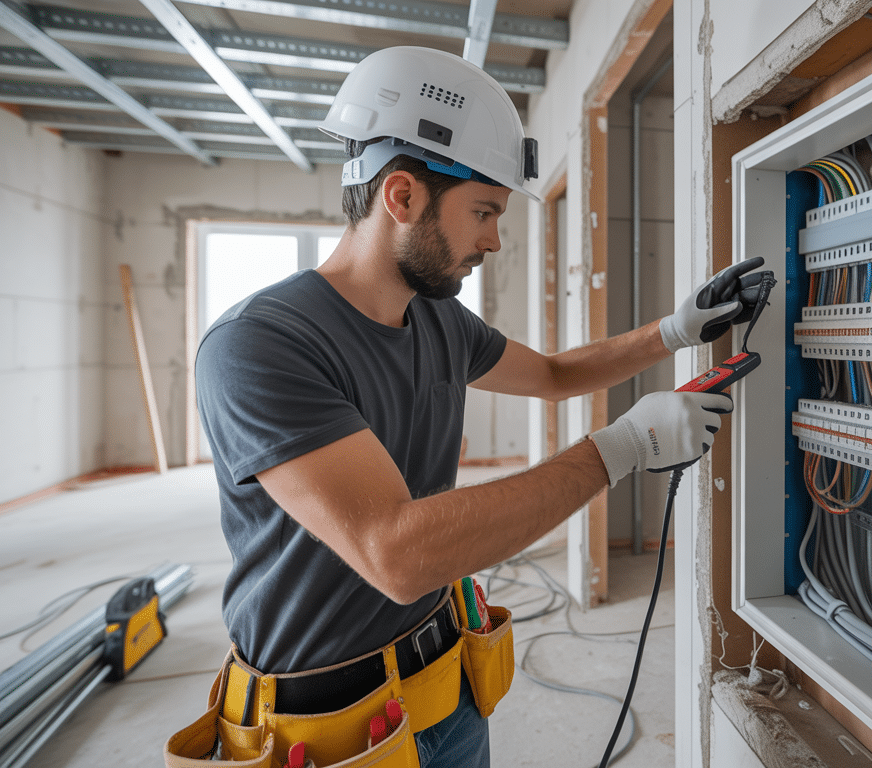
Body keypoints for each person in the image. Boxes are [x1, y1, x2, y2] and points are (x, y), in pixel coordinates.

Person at [193, 47, 765, 768]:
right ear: (402, 197)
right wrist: (621, 448)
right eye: (484, 212)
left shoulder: (438, 320)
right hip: (331, 732)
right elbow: (396, 554)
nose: (494, 239)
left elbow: (555, 375)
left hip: (446, 686)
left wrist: (677, 331)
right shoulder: (260, 346)